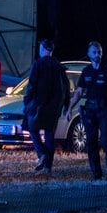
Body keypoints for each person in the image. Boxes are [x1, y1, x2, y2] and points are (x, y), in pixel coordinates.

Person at [66, 41, 107, 180]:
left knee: (105, 141)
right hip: (90, 110)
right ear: (89, 54)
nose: (97, 54)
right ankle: (96, 174)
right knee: (91, 143)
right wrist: (70, 108)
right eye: (94, 52)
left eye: (99, 52)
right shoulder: (86, 72)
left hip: (104, 109)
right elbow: (79, 92)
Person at [22, 39, 70, 174]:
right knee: (50, 134)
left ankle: (42, 154)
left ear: (43, 49)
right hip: (54, 106)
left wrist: (26, 102)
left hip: (39, 103)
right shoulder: (58, 66)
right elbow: (66, 86)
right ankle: (48, 167)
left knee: (32, 128)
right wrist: (66, 104)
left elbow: (31, 85)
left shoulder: (38, 64)